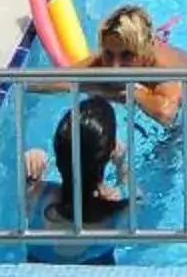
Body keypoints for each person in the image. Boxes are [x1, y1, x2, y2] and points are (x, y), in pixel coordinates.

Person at [23, 94, 126, 262]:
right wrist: (121, 166)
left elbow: (20, 188)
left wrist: (28, 169)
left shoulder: (35, 195)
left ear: (58, 156)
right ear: (109, 153)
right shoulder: (118, 210)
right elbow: (137, 197)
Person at [93, 4, 187, 124]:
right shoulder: (115, 47)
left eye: (127, 55)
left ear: (143, 51)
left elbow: (166, 115)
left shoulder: (160, 68)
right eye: (108, 54)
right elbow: (68, 81)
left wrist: (133, 92)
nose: (115, 67)